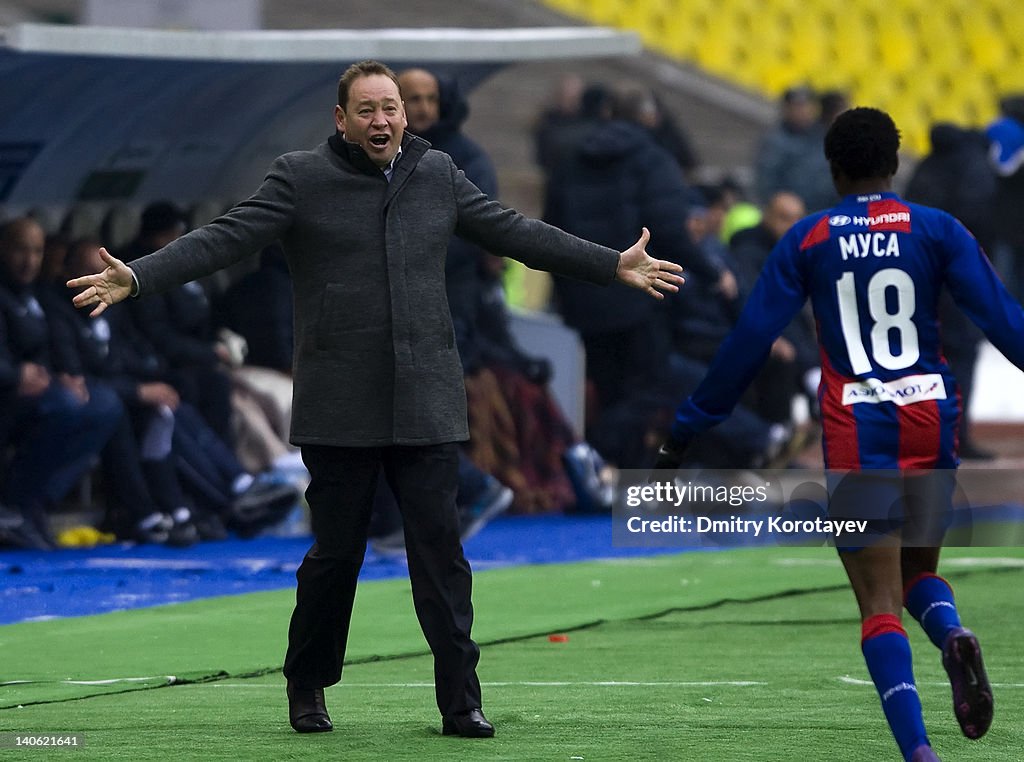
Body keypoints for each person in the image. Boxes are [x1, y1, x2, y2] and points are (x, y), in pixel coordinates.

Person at [67, 60, 683, 740]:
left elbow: (517, 233)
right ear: (341, 119)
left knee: (441, 555)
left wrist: (609, 262)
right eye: (367, 110)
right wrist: (141, 277)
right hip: (339, 404)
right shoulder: (298, 177)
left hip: (426, 401)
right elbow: (224, 238)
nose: (382, 120)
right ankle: (307, 684)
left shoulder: (438, 173)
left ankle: (461, 702)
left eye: (391, 108)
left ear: (406, 115)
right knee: (336, 557)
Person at [654, 108, 1023, 761]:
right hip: (928, 414)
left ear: (833, 169)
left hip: (860, 424)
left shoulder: (809, 237)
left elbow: (749, 342)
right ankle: (951, 634)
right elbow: (1002, 319)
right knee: (918, 574)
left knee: (877, 600)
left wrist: (689, 426)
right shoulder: (937, 229)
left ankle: (919, 751)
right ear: (896, 161)